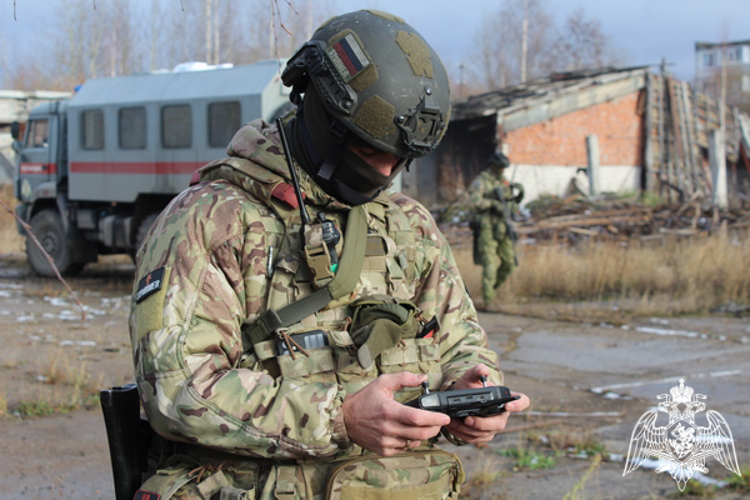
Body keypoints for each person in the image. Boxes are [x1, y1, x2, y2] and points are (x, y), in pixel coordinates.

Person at [129, 10, 529, 499]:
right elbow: (177, 388)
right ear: (321, 114)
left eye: (398, 160)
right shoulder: (212, 220)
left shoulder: (410, 226)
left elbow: (459, 343)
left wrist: (471, 391)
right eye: (367, 152)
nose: (383, 173)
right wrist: (338, 418)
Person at [469, 152, 524, 309]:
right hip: (487, 227)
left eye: (504, 168)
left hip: (503, 226)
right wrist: (492, 204)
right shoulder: (481, 181)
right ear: (493, 165)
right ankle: (489, 301)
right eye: (500, 167)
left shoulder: (504, 182)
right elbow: (474, 203)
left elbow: (510, 204)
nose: (502, 171)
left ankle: (491, 290)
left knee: (510, 263)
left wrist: (518, 197)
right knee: (490, 265)